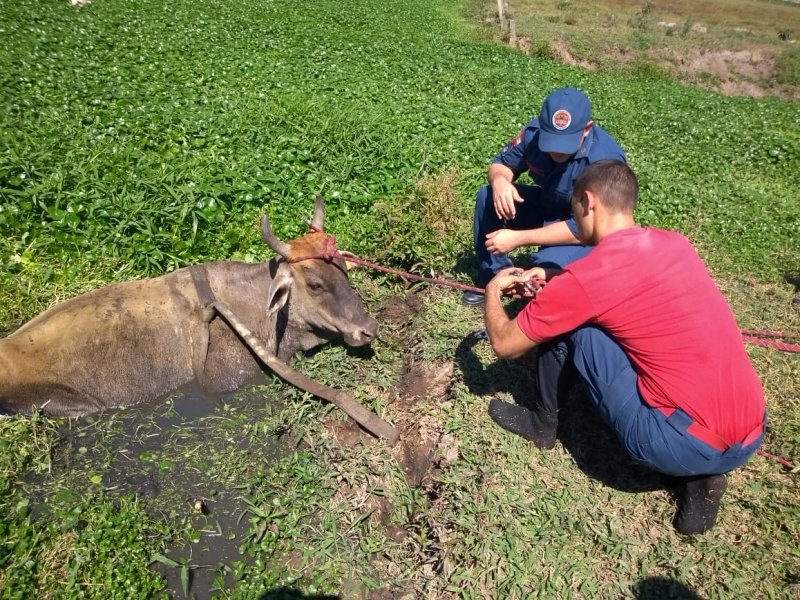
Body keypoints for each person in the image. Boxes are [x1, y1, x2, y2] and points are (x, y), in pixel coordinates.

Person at [482, 160, 766, 535]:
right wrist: (554, 277)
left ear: (588, 202)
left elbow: (505, 345)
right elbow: (621, 285)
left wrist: (493, 290)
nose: (576, 221)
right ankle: (703, 479)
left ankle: (542, 423)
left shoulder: (586, 281)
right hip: (750, 433)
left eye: (574, 213)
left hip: (674, 444)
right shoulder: (674, 243)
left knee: (574, 328)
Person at [462, 87, 627, 307]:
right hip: (547, 204)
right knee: (488, 195)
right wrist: (500, 181)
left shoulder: (605, 162)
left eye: (565, 143)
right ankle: (494, 279)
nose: (556, 151)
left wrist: (519, 238)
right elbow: (500, 163)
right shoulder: (533, 133)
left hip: (582, 230)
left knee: (541, 270)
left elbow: (589, 227)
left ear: (587, 129)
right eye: (552, 140)